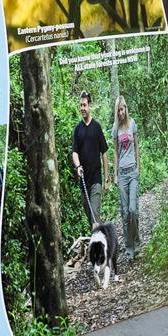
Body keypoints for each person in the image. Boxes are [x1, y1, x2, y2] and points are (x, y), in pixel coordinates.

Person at [70, 90, 107, 234]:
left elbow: (104, 152)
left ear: (89, 106)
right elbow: (74, 152)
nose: (82, 108)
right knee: (89, 212)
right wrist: (78, 166)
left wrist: (107, 178)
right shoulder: (77, 129)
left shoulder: (96, 127)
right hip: (84, 180)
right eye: (80, 105)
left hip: (96, 180)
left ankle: (98, 251)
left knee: (94, 215)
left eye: (84, 105)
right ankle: (102, 234)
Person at [113, 98, 141, 251]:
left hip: (132, 172)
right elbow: (116, 153)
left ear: (125, 109)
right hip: (122, 174)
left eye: (122, 109)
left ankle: (136, 242)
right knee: (124, 213)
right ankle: (129, 247)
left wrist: (138, 168)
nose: (120, 113)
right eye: (118, 110)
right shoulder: (115, 129)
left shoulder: (132, 124)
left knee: (132, 209)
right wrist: (115, 174)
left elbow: (137, 146)